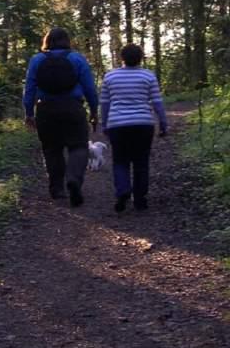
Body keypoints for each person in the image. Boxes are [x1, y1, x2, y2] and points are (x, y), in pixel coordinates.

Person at [23, 27, 98, 206]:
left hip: (46, 109)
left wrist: (28, 113)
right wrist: (94, 110)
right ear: (67, 40)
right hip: (73, 107)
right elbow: (89, 88)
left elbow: (29, 89)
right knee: (79, 146)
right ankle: (73, 179)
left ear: (47, 41)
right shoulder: (77, 58)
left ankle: (57, 189)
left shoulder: (37, 59)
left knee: (51, 149)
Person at [99, 43, 167, 212]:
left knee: (120, 161)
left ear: (122, 58)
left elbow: (105, 104)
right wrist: (163, 123)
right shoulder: (148, 76)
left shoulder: (110, 77)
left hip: (117, 125)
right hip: (143, 124)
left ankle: (123, 191)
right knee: (141, 162)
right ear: (140, 58)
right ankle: (140, 199)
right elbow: (157, 102)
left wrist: (105, 123)